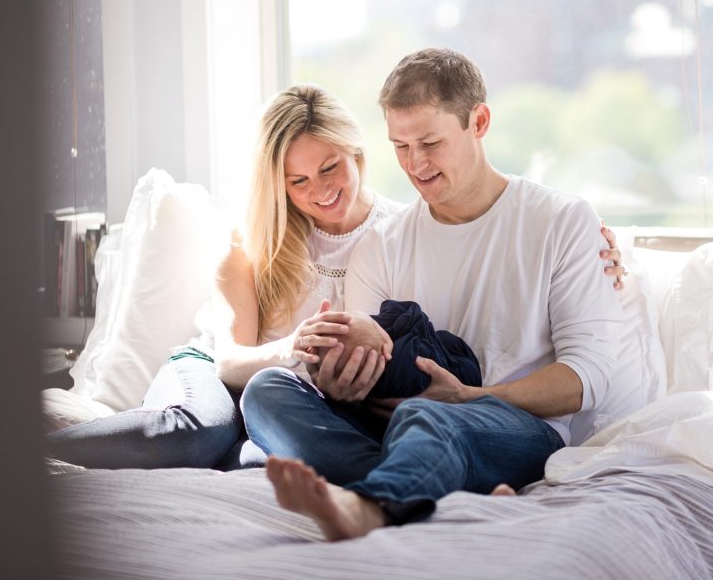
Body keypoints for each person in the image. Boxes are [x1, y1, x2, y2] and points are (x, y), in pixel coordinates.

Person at [46, 82, 628, 471]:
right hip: (219, 379)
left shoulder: (402, 235)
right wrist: (292, 348)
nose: (320, 190)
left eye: (330, 167)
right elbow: (227, 361)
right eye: (297, 182)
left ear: (357, 154)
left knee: (270, 432)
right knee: (198, 432)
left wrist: (595, 241)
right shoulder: (252, 247)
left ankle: (356, 473)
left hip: (307, 401)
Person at [241, 48, 632, 540]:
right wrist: (346, 382)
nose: (415, 164)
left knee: (429, 413)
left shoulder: (560, 221)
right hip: (399, 425)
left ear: (479, 121)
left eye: (430, 142)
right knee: (268, 392)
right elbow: (374, 364)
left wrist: (470, 396)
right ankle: (431, 488)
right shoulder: (382, 244)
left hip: (515, 427)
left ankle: (373, 505)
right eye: (400, 146)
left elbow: (586, 378)